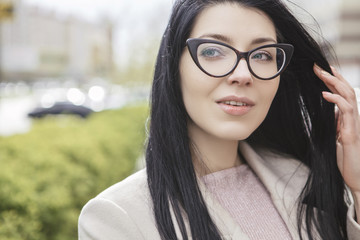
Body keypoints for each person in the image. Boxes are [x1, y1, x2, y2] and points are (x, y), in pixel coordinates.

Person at [78, 0, 360, 239]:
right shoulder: (116, 217)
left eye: (262, 54)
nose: (243, 74)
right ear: (174, 66)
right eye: (213, 51)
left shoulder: (303, 178)